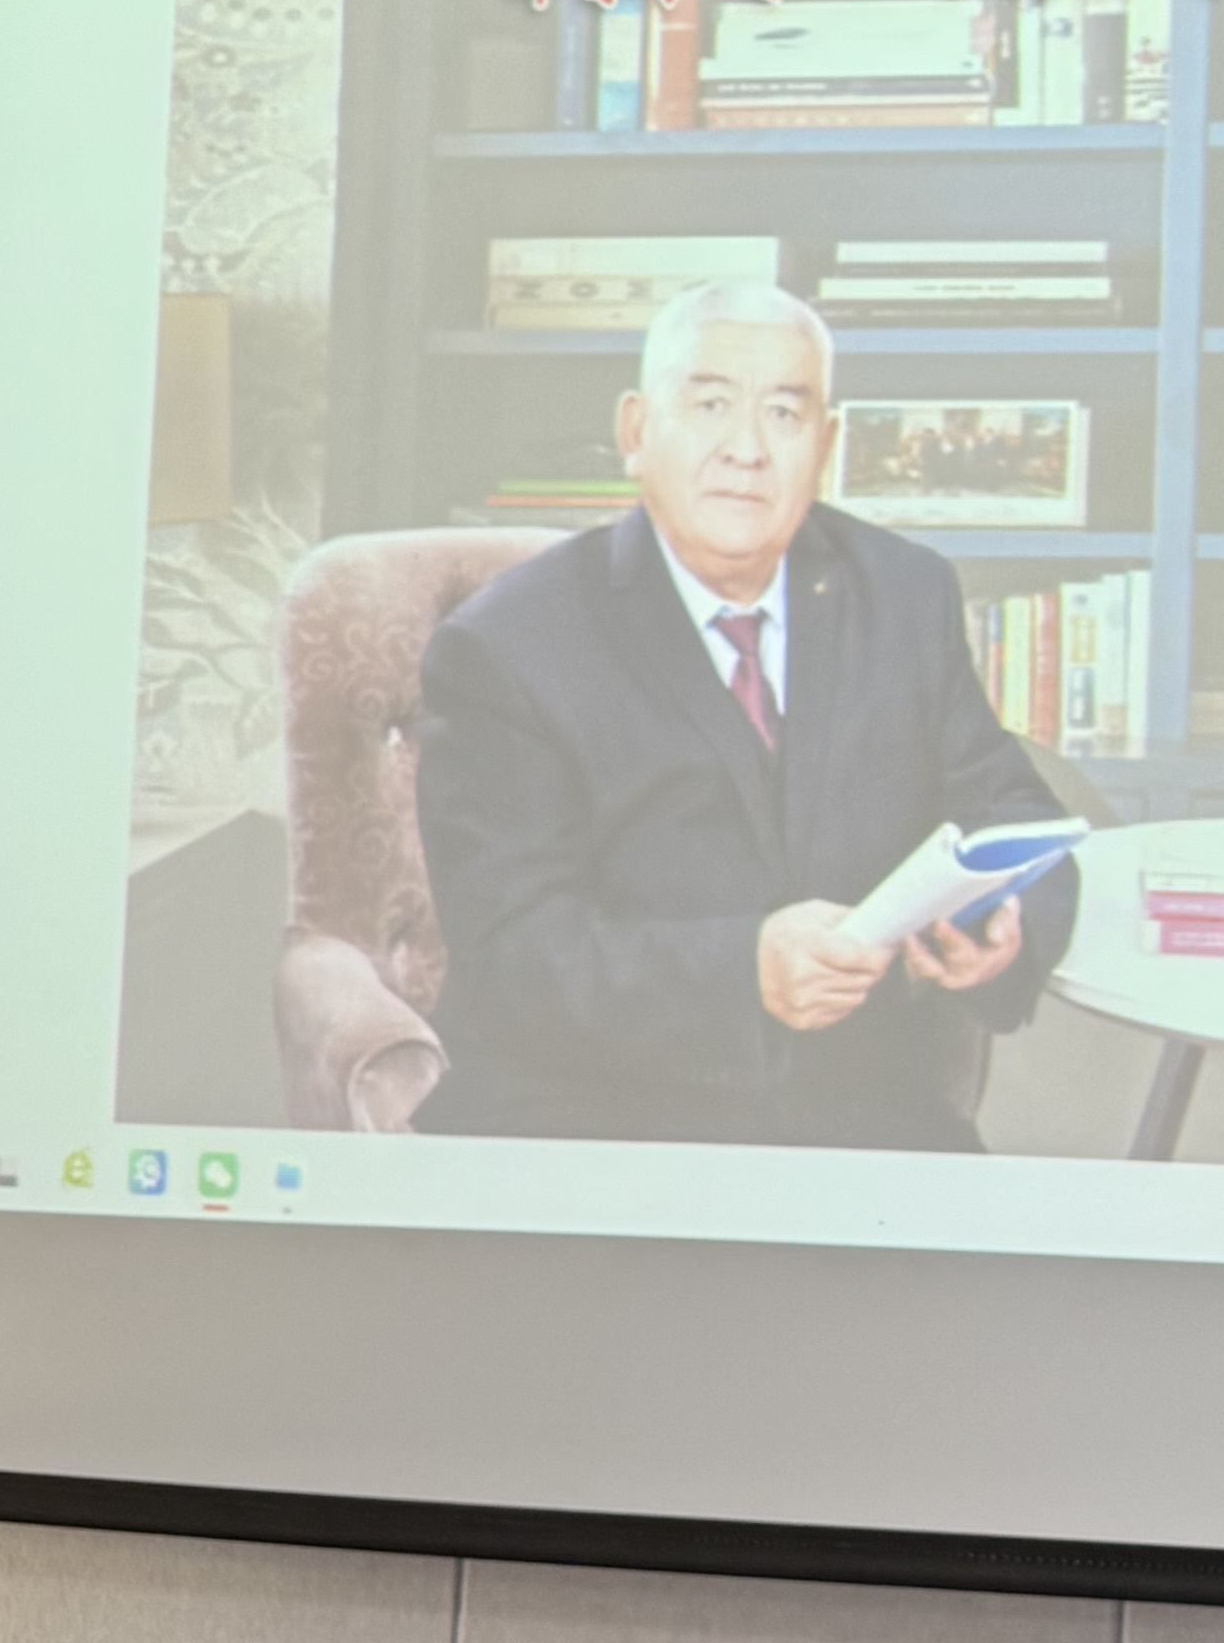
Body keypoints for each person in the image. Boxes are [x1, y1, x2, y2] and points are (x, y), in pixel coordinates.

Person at [412, 282, 1073, 1146]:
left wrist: (1004, 932)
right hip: (591, 1117)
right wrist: (742, 973)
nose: (747, 450)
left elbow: (1016, 816)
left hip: (855, 1111)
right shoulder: (506, 645)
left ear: (826, 446)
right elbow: (513, 953)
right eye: (711, 405)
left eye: (784, 414)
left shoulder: (904, 594)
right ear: (636, 432)